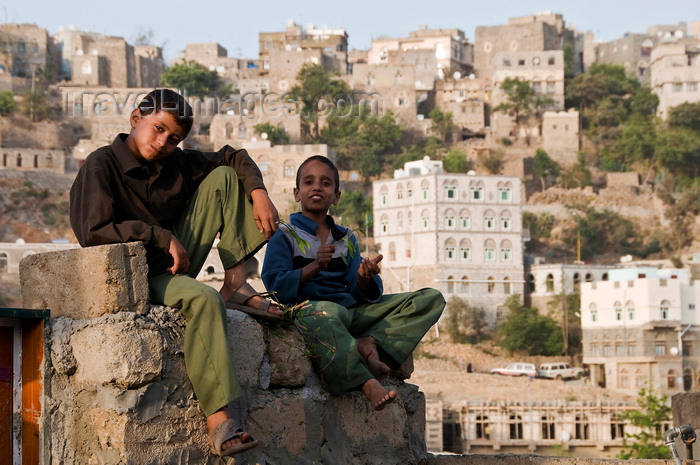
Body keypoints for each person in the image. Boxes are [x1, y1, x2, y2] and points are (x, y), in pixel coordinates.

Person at [69, 88, 284, 457]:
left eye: (174, 138)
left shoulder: (176, 163)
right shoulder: (101, 164)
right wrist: (158, 234)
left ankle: (235, 280)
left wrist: (260, 191)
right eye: (158, 129)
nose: (164, 142)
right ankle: (220, 419)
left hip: (176, 262)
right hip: (134, 276)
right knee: (202, 298)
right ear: (136, 119)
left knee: (224, 177)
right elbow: (93, 231)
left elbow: (233, 156)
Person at [261, 155, 445, 411]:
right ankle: (366, 382)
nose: (317, 187)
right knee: (331, 312)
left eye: (325, 184)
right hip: (311, 311)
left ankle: (370, 343)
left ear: (335, 196)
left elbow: (355, 289)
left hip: (350, 313)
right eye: (309, 182)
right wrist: (314, 266)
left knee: (430, 299)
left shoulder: (345, 238)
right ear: (297, 193)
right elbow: (274, 284)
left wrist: (364, 276)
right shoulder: (285, 234)